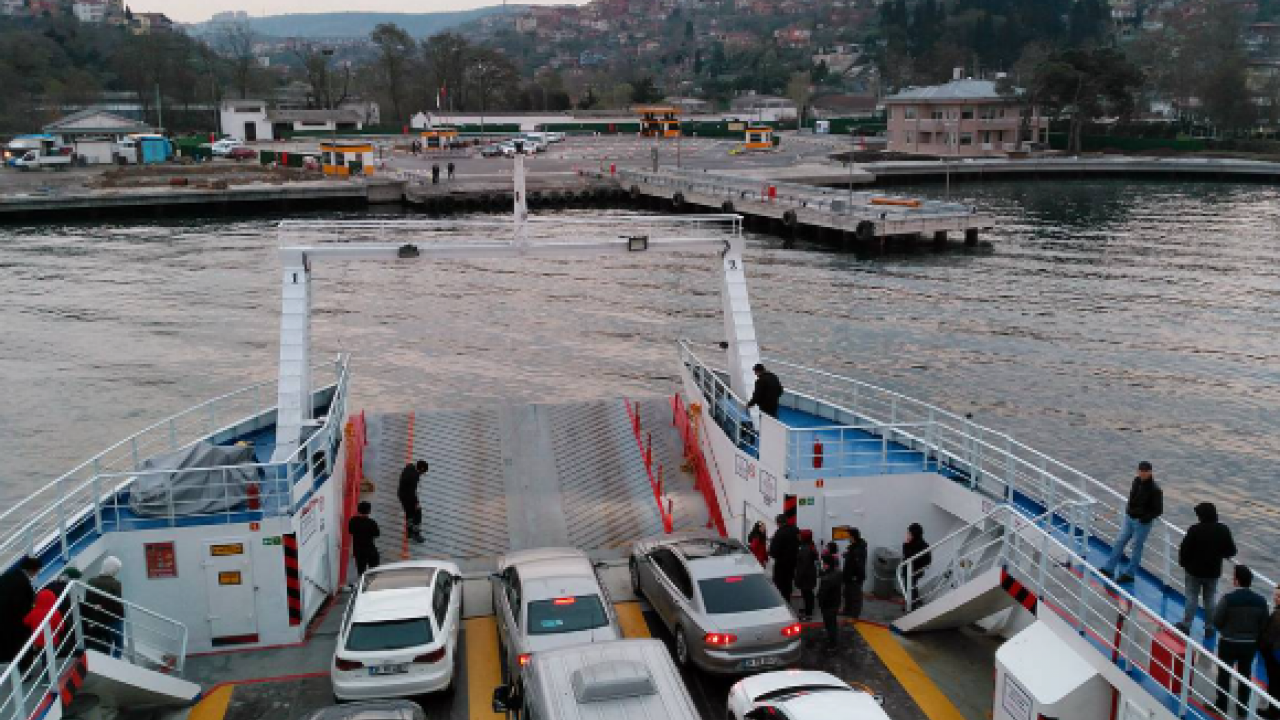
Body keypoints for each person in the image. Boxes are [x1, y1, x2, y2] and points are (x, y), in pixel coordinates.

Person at [1213, 565, 1268, 715]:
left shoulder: (1227, 600)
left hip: (1228, 642)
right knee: (1245, 675)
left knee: (1224, 674)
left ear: (1236, 581)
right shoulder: (1261, 601)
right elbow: (1264, 625)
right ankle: (1242, 708)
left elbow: (1217, 621)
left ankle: (1221, 705)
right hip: (1249, 645)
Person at [1176, 502, 1236, 635]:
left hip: (1194, 571)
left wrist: (1183, 563)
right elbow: (1231, 551)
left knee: (1191, 597)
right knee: (1209, 599)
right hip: (1213, 572)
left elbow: (1185, 548)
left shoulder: (1195, 530)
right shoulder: (1223, 530)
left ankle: (1186, 625)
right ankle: (1210, 627)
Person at [1100, 461, 1163, 584]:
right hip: (1129, 518)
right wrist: (1129, 510)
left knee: (1136, 548)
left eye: (1145, 471)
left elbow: (1158, 510)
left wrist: (1145, 518)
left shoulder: (1155, 490)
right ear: (1138, 471)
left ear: (1150, 472)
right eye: (1140, 471)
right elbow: (1132, 497)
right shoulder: (1136, 481)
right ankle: (1109, 568)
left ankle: (1130, 574)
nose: (1142, 473)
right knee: (1119, 541)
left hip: (1142, 523)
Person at [0, 556, 41, 663]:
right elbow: (22, 604)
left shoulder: (7, 576)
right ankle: (24, 670)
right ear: (33, 569)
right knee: (21, 647)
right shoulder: (23, 582)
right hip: (17, 621)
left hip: (4, 619)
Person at [83, 557, 124, 658]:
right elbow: (117, 603)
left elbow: (88, 600)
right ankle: (115, 662)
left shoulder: (91, 581)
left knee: (104, 644)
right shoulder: (116, 583)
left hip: (97, 618)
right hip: (113, 619)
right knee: (118, 644)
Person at [1258, 585, 1280, 719]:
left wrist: (1260, 646)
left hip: (1275, 658)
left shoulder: (1277, 615)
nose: (1276, 598)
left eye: (1279, 596)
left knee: (1274, 685)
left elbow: (1268, 638)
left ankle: (1273, 712)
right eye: (1275, 595)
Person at [768, 514, 800, 605]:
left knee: (780, 585)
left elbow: (773, 552)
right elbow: (798, 543)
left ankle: (782, 604)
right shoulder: (795, 530)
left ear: (778, 523)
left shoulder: (779, 533)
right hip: (793, 562)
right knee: (788, 584)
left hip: (781, 565)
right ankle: (788, 602)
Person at [348, 501, 381, 577]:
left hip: (358, 551)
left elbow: (350, 531)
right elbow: (377, 534)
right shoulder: (372, 523)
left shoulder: (352, 521)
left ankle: (362, 585)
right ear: (369, 511)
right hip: (370, 550)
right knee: (374, 570)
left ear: (358, 510)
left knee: (361, 571)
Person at [903, 523, 931, 611]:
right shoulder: (923, 544)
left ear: (914, 534)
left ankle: (912, 605)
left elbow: (909, 556)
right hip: (912, 569)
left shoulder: (920, 545)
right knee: (911, 586)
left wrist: (906, 544)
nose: (907, 535)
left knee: (910, 587)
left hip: (914, 570)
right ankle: (913, 602)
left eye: (909, 533)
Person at [398, 460, 428, 543]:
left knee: (409, 513)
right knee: (417, 514)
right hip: (408, 497)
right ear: (421, 468)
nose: (422, 474)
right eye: (423, 472)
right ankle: (416, 533)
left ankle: (409, 532)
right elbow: (411, 492)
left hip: (401, 494)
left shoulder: (409, 466)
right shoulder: (414, 476)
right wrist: (416, 503)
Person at [818, 556, 842, 651]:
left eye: (823, 563)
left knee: (830, 624)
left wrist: (820, 603)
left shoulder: (826, 579)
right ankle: (832, 639)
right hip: (835, 603)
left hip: (827, 605)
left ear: (827, 565)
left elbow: (822, 594)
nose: (822, 565)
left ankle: (832, 644)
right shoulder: (838, 573)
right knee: (833, 623)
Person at [842, 528, 868, 618]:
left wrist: (856, 576)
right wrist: (847, 555)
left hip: (854, 577)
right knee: (847, 594)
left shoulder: (859, 549)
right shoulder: (853, 547)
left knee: (855, 596)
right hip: (849, 575)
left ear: (852, 536)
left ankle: (854, 615)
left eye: (848, 535)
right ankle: (847, 610)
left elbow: (859, 564)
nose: (847, 538)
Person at [794, 530, 819, 620]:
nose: (798, 536)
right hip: (810, 574)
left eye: (800, 535)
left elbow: (803, 566)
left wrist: (798, 577)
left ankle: (808, 614)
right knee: (808, 593)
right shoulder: (810, 546)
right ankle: (808, 609)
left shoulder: (805, 549)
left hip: (806, 576)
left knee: (807, 594)